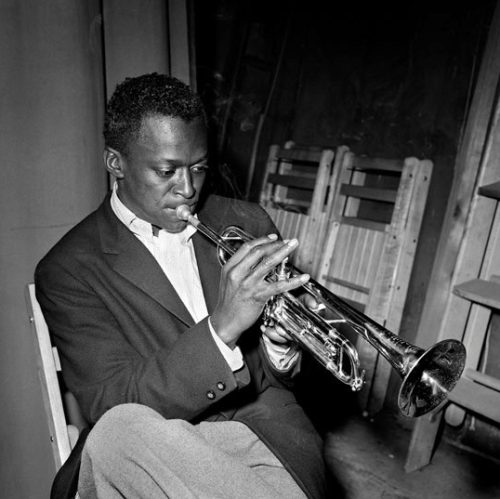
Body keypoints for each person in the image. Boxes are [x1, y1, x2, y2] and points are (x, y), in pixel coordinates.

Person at [35, 73, 329, 499]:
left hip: (260, 438)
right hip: (151, 448)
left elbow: (277, 384)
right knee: (116, 432)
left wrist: (281, 346)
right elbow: (116, 400)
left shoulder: (247, 223)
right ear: (115, 163)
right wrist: (223, 327)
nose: (188, 189)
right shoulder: (68, 269)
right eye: (167, 171)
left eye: (199, 167)